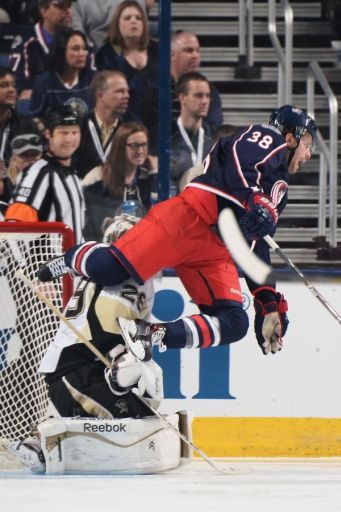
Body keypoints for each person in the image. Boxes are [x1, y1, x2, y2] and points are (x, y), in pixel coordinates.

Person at [37, 105, 316, 361]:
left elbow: (257, 244)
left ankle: (149, 334)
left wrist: (267, 300)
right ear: (290, 138)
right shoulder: (267, 137)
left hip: (215, 251)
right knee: (109, 269)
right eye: (307, 144)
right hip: (187, 220)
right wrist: (255, 199)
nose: (309, 154)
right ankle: (71, 259)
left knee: (234, 323)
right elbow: (240, 160)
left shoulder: (278, 190)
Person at [7, 211, 166, 474]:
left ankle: (53, 434)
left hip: (95, 370)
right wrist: (47, 271)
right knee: (130, 423)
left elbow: (132, 334)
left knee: (147, 417)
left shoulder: (145, 282)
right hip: (73, 369)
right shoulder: (101, 259)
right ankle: (44, 444)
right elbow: (72, 260)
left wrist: (128, 362)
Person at [129, 30, 223, 154]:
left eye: (197, 51)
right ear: (171, 54)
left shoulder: (209, 89)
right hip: (153, 154)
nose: (195, 56)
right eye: (188, 51)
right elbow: (135, 124)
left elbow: (213, 126)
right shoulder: (143, 84)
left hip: (195, 154)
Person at [5, 105, 85, 244]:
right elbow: (12, 230)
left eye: (74, 132)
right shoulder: (38, 173)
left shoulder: (74, 175)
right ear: (49, 134)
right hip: (48, 264)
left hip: (72, 263)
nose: (70, 139)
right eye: (64, 133)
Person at [82, 122, 156, 240]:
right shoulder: (97, 178)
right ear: (121, 146)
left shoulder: (147, 179)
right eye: (135, 145)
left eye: (144, 145)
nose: (141, 151)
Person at [72, 70, 133, 178]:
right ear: (100, 95)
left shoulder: (129, 131)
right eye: (120, 91)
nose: (127, 96)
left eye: (127, 91)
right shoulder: (79, 128)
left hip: (116, 192)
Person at [9, 0, 73, 98]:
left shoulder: (78, 41)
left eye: (69, 5)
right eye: (61, 6)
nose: (68, 11)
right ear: (43, 10)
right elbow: (20, 85)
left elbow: (90, 81)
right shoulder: (26, 42)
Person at [29, 27, 95, 118]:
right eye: (75, 49)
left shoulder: (92, 79)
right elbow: (34, 119)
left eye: (84, 48)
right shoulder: (44, 83)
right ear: (61, 51)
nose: (82, 54)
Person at [95, 0, 158, 84]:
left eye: (138, 18)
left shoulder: (157, 49)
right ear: (117, 24)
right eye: (127, 18)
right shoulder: (106, 54)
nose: (133, 21)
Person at [170, 72, 213, 192]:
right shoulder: (166, 139)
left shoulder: (213, 139)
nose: (205, 101)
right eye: (198, 96)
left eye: (208, 96)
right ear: (182, 98)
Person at [0, 67, 37, 202]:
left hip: (15, 197)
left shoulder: (27, 126)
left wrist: (6, 183)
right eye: (4, 85)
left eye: (13, 86)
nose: (11, 90)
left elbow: (32, 168)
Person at [72, 0, 155, 51]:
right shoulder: (79, 3)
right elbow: (77, 32)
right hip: (92, 57)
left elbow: (142, 29)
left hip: (129, 53)